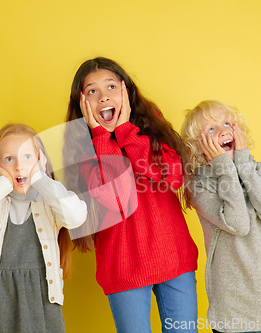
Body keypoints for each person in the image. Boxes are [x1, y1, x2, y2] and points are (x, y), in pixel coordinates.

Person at [63, 57, 199, 333]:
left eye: (111, 86)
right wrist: (102, 136)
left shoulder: (153, 126)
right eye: (92, 91)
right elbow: (118, 199)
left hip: (174, 257)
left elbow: (173, 176)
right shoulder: (80, 150)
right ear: (82, 103)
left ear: (126, 91)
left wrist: (125, 131)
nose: (103, 97)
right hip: (123, 267)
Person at [181, 100, 261, 333]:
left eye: (227, 123)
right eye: (210, 129)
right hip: (236, 315)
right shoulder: (200, 185)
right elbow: (238, 224)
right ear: (197, 146)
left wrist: (245, 167)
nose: (223, 130)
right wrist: (225, 168)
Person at [0, 123, 87, 333]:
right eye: (9, 159)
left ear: (41, 160)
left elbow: (76, 216)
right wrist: (1, 184)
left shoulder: (49, 200)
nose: (18, 167)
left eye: (27, 157)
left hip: (41, 300)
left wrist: (41, 178)